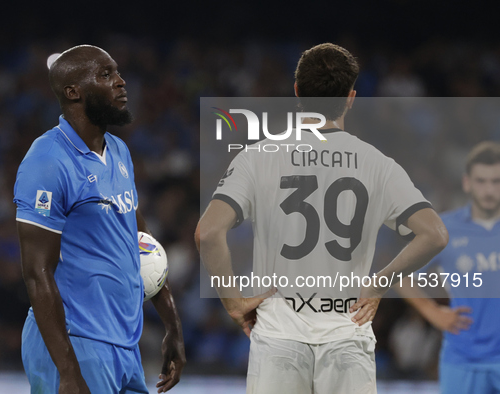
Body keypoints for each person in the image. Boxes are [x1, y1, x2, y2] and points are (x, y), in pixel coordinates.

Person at [195, 43, 449, 393]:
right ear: (351, 97)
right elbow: (435, 234)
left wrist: (234, 303)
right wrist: (378, 284)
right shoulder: (378, 164)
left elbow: (208, 233)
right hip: (347, 331)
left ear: (297, 91)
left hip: (279, 335)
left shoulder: (258, 157)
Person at [14, 45, 185, 394]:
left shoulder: (118, 151)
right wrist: (67, 370)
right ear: (73, 92)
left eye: (117, 72)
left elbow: (141, 242)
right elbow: (37, 273)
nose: (121, 82)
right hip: (76, 343)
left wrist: (172, 325)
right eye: (106, 75)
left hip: (124, 345)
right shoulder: (47, 160)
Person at [396, 141, 500, 394]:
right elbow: (398, 275)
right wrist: (432, 311)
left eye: (496, 181)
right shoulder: (445, 228)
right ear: (467, 183)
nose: (488, 190)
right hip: (462, 357)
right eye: (481, 181)